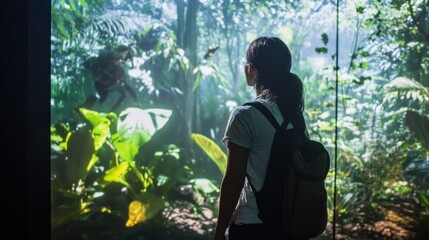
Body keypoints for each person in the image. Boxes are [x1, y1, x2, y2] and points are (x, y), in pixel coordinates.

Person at [213, 37, 307, 240]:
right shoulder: (294, 115)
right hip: (291, 223)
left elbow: (234, 180)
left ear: (251, 69)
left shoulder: (245, 115)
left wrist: (219, 232)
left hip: (253, 226)